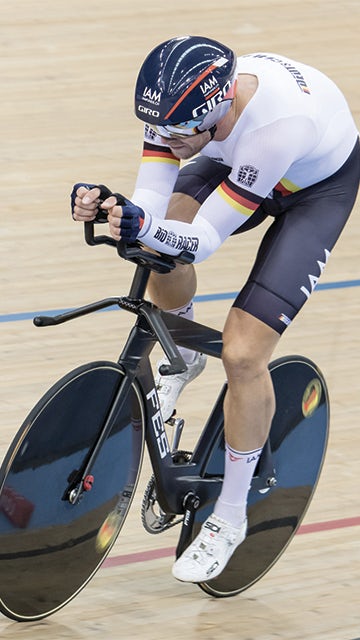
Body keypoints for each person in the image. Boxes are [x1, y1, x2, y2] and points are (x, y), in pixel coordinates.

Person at [72, 35, 360, 584]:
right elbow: (154, 209)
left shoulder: (279, 127)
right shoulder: (176, 106)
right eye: (162, 130)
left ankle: (229, 517)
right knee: (156, 246)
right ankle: (184, 356)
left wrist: (149, 227)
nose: (170, 142)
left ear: (219, 109)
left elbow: (202, 239)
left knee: (244, 354)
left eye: (182, 134)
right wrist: (115, 209)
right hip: (238, 162)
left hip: (311, 191)